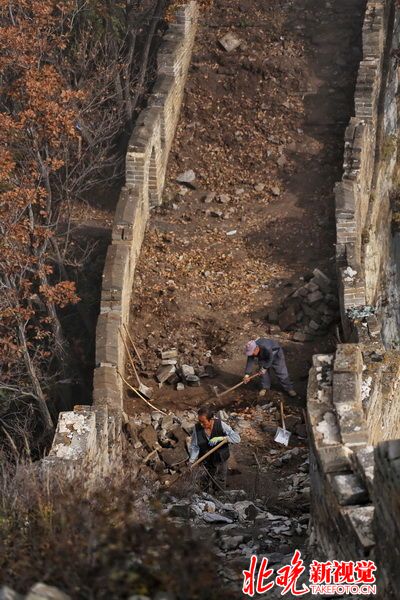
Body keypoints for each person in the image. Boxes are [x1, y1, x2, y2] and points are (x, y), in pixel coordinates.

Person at [189, 406, 240, 491]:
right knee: (205, 480)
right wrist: (191, 461)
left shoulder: (220, 425)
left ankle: (219, 497)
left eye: (203, 422)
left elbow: (237, 438)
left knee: (220, 479)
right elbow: (195, 446)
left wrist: (222, 438)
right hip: (206, 459)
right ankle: (205, 498)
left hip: (221, 458)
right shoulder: (197, 428)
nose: (201, 424)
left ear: (211, 419)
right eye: (199, 421)